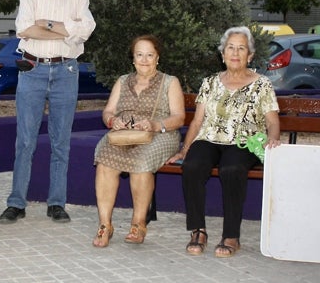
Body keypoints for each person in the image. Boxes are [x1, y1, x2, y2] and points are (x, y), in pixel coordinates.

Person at [0, 0, 96, 224]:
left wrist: (47, 24)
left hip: (66, 72)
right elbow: (24, 29)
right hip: (32, 70)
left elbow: (86, 30)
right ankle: (16, 203)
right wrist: (67, 32)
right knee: (25, 140)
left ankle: (57, 203)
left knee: (60, 142)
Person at [167, 26, 281, 258]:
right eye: (231, 48)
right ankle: (198, 230)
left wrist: (273, 139)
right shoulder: (209, 82)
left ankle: (231, 235)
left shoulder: (262, 84)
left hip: (243, 142)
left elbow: (272, 121)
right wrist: (184, 149)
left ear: (250, 55)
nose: (235, 53)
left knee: (232, 169)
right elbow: (198, 121)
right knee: (193, 166)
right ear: (223, 54)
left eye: (241, 48)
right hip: (209, 138)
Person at [92, 35, 185, 247]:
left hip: (160, 133)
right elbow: (107, 111)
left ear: (157, 58)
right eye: (139, 55)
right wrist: (112, 120)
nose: (144, 60)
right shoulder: (123, 81)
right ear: (133, 58)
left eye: (149, 55)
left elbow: (179, 118)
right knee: (105, 158)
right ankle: (105, 225)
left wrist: (154, 125)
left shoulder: (170, 82)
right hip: (123, 134)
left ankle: (138, 224)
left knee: (141, 162)